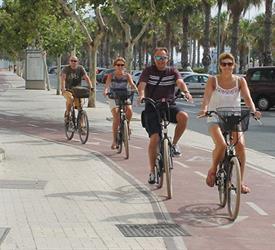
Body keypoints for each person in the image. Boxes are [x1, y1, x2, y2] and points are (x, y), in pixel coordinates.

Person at [198, 52, 261, 194]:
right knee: (221, 145)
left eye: (230, 64)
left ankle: (240, 181)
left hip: (234, 118)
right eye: (224, 64)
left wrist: (254, 110)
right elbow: (207, 97)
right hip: (215, 117)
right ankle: (213, 169)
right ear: (219, 66)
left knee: (241, 147)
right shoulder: (213, 80)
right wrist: (204, 109)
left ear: (234, 65)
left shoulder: (240, 81)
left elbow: (248, 98)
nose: (227, 67)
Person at [138, 47, 193, 184]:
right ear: (154, 59)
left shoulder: (172, 71)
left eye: (163, 58)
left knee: (184, 117)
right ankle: (152, 171)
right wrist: (141, 95)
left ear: (167, 59)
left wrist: (185, 92)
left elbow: (180, 82)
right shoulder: (148, 71)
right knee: (155, 139)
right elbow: (142, 85)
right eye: (158, 58)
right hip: (152, 107)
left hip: (169, 105)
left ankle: (173, 144)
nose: (161, 61)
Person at [103, 56, 138, 149]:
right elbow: (107, 86)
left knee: (129, 111)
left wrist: (136, 90)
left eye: (122, 65)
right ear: (115, 66)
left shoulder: (127, 76)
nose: (120, 67)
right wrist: (106, 91)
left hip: (124, 95)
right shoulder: (111, 75)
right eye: (118, 65)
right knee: (116, 116)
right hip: (113, 96)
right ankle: (114, 140)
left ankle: (127, 126)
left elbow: (132, 85)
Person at [61, 56, 92, 121]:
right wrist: (63, 88)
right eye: (71, 61)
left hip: (77, 90)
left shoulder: (80, 68)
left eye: (75, 61)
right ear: (69, 62)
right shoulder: (66, 68)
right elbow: (63, 79)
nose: (73, 62)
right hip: (67, 89)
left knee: (80, 106)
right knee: (70, 99)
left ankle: (81, 125)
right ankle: (68, 113)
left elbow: (86, 77)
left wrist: (91, 87)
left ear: (77, 62)